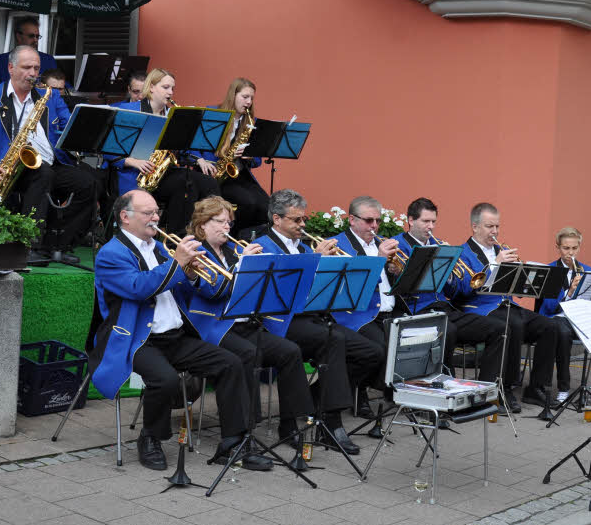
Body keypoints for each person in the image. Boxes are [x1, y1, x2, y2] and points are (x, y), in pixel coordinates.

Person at [90, 189, 271, 471]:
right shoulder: (111, 253)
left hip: (175, 336)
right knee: (166, 379)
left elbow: (187, 286)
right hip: (137, 339)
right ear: (125, 217)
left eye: (157, 212)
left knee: (231, 363)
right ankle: (150, 438)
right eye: (148, 213)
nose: (156, 217)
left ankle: (232, 443)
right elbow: (138, 288)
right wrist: (177, 264)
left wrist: (190, 273)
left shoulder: (160, 247)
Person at [251, 188, 382, 455]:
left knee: (371, 352)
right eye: (296, 220)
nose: (303, 225)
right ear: (277, 219)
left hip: (311, 318)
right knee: (334, 340)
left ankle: (317, 402)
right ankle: (329, 424)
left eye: (304, 219)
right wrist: (318, 262)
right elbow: (278, 293)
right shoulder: (262, 247)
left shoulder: (302, 246)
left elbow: (321, 292)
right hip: (280, 321)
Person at [187, 196, 315, 443]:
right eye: (221, 222)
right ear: (203, 224)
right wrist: (243, 264)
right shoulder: (196, 252)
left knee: (290, 351)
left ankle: (290, 425)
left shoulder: (232, 250)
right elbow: (211, 291)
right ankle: (245, 430)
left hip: (243, 324)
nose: (227, 227)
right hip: (212, 327)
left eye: (229, 222)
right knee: (248, 353)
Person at [0, 45, 94, 262]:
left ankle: (57, 244)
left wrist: (85, 127)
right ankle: (30, 245)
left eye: (36, 68)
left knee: (87, 182)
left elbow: (69, 128)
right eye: (26, 67)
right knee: (43, 174)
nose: (32, 73)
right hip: (2, 168)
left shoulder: (50, 96)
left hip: (46, 162)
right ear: (10, 68)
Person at [392, 198, 509, 395]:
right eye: (425, 221)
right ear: (410, 220)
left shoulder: (439, 245)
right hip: (416, 309)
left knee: (498, 329)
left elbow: (458, 290)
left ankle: (486, 390)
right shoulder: (398, 245)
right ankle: (445, 390)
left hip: (444, 308)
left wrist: (449, 277)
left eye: (433, 222)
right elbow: (399, 287)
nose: (431, 227)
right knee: (449, 330)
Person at [452, 202, 560, 412]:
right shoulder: (462, 253)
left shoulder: (502, 250)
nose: (495, 232)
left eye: (497, 227)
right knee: (515, 324)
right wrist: (495, 265)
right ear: (475, 227)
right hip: (480, 308)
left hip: (507, 304)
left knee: (549, 326)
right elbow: (463, 289)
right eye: (489, 226)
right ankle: (504, 387)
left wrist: (524, 280)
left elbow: (512, 285)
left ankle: (536, 387)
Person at [108, 68, 220, 235]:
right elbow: (109, 150)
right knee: (184, 184)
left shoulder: (171, 114)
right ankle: (178, 238)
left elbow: (181, 150)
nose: (171, 92)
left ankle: (206, 235)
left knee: (207, 183)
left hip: (163, 172)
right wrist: (136, 162)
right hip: (136, 175)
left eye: (173, 88)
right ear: (151, 87)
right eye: (166, 87)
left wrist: (198, 159)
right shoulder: (129, 109)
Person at [330, 196, 403, 418]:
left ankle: (391, 391)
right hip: (356, 314)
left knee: (409, 343)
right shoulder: (339, 245)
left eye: (378, 221)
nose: (374, 226)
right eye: (369, 220)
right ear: (351, 219)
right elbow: (353, 288)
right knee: (379, 349)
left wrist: (395, 272)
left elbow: (393, 285)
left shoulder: (379, 243)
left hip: (386, 311)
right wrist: (380, 260)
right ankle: (357, 391)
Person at [537, 227, 591, 410]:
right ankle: (564, 388)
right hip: (557, 317)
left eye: (573, 248)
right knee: (562, 333)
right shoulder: (550, 270)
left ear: (579, 248)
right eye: (565, 248)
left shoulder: (587, 270)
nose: (569, 253)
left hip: (581, 318)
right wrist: (569, 292)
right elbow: (548, 307)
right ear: (558, 247)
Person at [206, 77, 270, 237]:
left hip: (240, 175)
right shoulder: (214, 114)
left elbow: (258, 161)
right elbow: (203, 148)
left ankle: (250, 240)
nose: (249, 102)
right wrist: (227, 155)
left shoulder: (250, 122)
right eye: (245, 97)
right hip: (219, 175)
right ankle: (233, 236)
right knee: (248, 203)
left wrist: (250, 156)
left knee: (267, 205)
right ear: (233, 95)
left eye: (251, 98)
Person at [0, 16, 58, 85]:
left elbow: (60, 85)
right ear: (19, 36)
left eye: (37, 36)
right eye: (31, 36)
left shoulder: (48, 60)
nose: (35, 40)